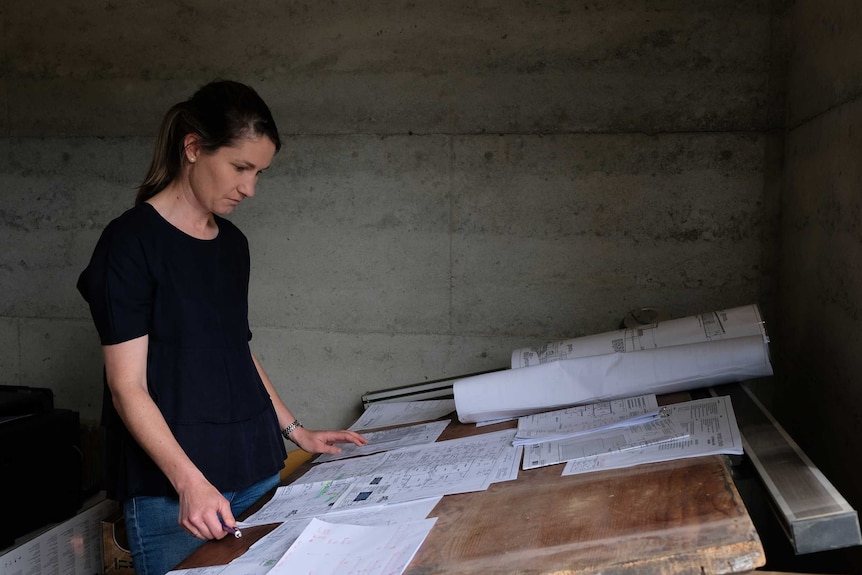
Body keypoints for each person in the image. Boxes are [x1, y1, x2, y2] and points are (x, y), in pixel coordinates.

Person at [77, 80, 368, 575]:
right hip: (176, 495)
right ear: (193, 147)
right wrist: (189, 483)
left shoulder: (232, 243)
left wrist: (297, 431)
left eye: (260, 173)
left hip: (256, 466)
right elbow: (127, 387)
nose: (249, 188)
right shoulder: (129, 244)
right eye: (240, 167)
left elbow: (236, 349)